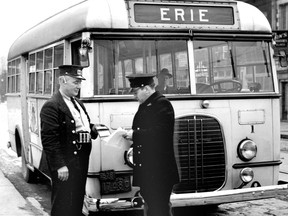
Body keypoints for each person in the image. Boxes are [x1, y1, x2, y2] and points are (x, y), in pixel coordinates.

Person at [40, 65, 98, 216]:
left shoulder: (77, 103)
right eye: (75, 82)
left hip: (80, 159)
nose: (79, 86)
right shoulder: (52, 106)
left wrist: (91, 129)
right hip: (66, 162)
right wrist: (60, 165)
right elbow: (49, 139)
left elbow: (81, 124)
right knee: (63, 202)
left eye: (80, 82)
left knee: (76, 199)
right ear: (62, 80)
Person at [124, 73, 179, 216]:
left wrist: (134, 135)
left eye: (136, 92)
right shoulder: (149, 104)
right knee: (152, 205)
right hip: (150, 169)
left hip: (159, 171)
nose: (134, 96)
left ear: (147, 88)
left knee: (159, 207)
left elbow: (160, 133)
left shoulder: (161, 104)